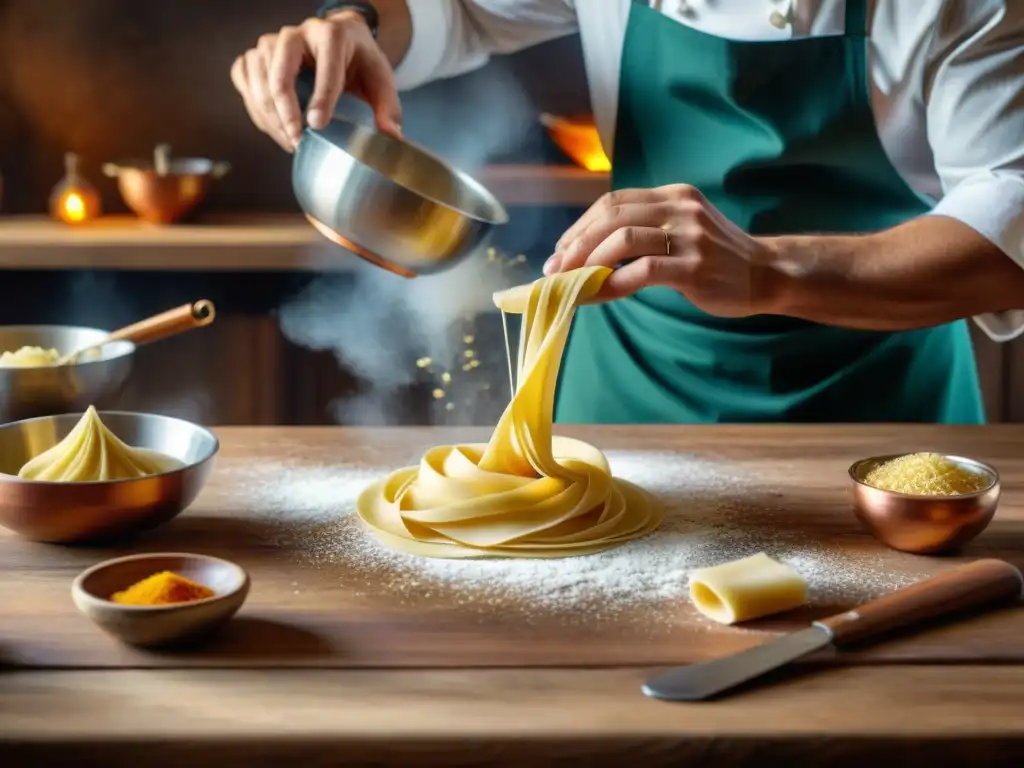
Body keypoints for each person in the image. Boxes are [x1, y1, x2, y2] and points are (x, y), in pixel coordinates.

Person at [232, 0, 1024, 424]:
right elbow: (463, 10)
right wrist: (354, 23)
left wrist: (768, 268)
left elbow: (1010, 234)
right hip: (624, 397)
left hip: (871, 413)